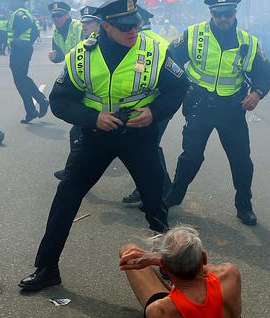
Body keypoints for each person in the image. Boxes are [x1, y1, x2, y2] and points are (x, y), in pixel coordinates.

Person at [18, 0, 188, 291]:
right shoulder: (82, 56)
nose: (133, 30)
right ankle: (46, 268)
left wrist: (155, 113)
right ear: (106, 26)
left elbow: (178, 86)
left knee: (155, 205)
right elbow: (60, 101)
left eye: (135, 23)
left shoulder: (155, 51)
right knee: (66, 196)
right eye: (125, 26)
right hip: (97, 137)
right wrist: (93, 118)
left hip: (138, 136)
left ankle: (173, 270)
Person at [164, 0, 270, 226]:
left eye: (228, 14)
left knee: (241, 160)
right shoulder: (193, 34)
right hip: (199, 106)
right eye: (218, 14)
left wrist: (257, 93)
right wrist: (183, 83)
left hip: (232, 109)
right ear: (210, 12)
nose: (223, 19)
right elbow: (170, 58)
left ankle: (244, 205)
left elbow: (264, 71)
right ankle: (174, 196)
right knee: (191, 157)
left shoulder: (248, 42)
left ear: (235, 12)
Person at [93, 226, 242, 318]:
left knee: (127, 250)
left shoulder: (160, 312)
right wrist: (163, 259)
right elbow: (201, 269)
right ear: (203, 258)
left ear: (164, 267)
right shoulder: (230, 273)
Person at [121, 6, 173, 205]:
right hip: (159, 105)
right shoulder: (161, 41)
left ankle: (159, 191)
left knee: (148, 148)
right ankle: (151, 189)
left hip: (152, 107)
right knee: (148, 147)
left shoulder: (144, 44)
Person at [52, 5, 101, 181]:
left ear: (99, 24)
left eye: (89, 22)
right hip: (92, 100)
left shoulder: (99, 44)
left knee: (136, 152)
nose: (84, 25)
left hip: (108, 103)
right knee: (78, 134)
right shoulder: (87, 43)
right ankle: (73, 173)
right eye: (84, 22)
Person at [7, 0, 49, 124]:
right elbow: (35, 31)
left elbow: (28, 25)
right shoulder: (20, 12)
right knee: (20, 79)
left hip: (20, 49)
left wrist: (17, 41)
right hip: (20, 49)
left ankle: (40, 102)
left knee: (20, 79)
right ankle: (31, 110)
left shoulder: (20, 13)